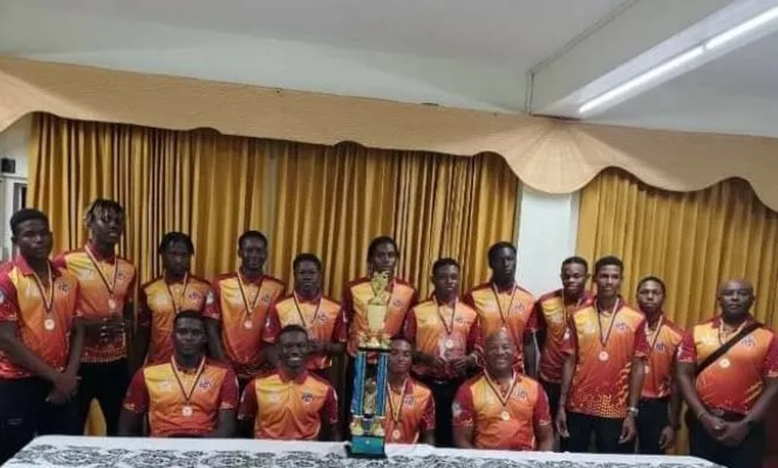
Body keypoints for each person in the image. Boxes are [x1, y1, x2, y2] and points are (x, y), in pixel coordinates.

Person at [0, 209, 84, 463]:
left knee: (62, 456)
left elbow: (78, 329)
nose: (38, 240)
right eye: (29, 235)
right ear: (15, 241)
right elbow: (6, 339)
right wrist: (57, 378)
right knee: (15, 456)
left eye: (43, 233)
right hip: (18, 383)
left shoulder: (68, 279)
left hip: (61, 381)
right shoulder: (6, 280)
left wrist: (69, 375)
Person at [54, 198, 137, 436]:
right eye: (106, 219)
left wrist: (126, 323)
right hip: (79, 362)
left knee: (121, 431)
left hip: (116, 362)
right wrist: (88, 326)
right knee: (71, 429)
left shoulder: (128, 267)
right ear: (89, 223)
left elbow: (128, 310)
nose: (114, 226)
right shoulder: (66, 261)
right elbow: (56, 311)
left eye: (118, 221)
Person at [677, 279, 778, 468]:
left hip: (746, 428)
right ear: (719, 299)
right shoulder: (697, 332)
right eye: (729, 293)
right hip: (703, 422)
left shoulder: (768, 337)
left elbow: (774, 385)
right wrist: (704, 417)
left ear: (752, 299)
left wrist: (746, 425)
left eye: (742, 293)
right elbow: (683, 375)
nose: (735, 298)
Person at [555, 256, 648, 453]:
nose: (609, 281)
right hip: (578, 406)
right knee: (571, 462)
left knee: (613, 463)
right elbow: (569, 362)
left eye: (615, 277)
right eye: (604, 276)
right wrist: (562, 406)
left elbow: (638, 367)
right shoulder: (578, 316)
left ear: (621, 280)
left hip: (615, 409)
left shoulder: (636, 319)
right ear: (595, 279)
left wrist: (632, 412)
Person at [119, 311, 238, 437]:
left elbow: (227, 428)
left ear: (205, 338)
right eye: (182, 332)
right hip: (161, 448)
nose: (188, 337)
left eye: (196, 333)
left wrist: (202, 450)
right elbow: (126, 427)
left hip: (204, 446)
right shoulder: (147, 374)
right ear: (172, 336)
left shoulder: (223, 374)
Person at [342, 236, 417, 432]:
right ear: (370, 259)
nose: (386, 260)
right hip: (360, 360)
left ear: (397, 259)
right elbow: (347, 320)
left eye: (391, 255)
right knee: (355, 413)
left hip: (391, 364)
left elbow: (408, 330)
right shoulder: (354, 288)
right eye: (380, 255)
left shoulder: (408, 291)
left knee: (385, 415)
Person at [403, 257, 477, 446]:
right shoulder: (417, 311)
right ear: (433, 279)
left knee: (450, 436)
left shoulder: (470, 314)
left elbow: (479, 349)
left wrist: (469, 360)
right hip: (425, 383)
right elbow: (404, 347)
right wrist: (423, 358)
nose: (449, 281)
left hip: (457, 384)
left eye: (454, 277)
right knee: (424, 434)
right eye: (443, 277)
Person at [204, 230, 285, 388]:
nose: (254, 255)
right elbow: (210, 327)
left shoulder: (277, 288)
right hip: (227, 365)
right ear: (240, 252)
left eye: (259, 250)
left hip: (263, 368)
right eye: (249, 250)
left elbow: (277, 333)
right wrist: (223, 365)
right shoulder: (221, 283)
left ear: (266, 254)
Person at [452, 329, 553, 451]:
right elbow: (462, 441)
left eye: (505, 347)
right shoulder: (467, 391)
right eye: (494, 348)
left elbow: (546, 438)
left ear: (515, 351)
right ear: (484, 353)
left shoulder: (534, 388)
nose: (500, 352)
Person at [238, 325, 340, 441]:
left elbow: (332, 430)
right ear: (279, 350)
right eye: (287, 346)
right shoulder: (256, 385)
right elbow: (244, 426)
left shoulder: (325, 389)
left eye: (300, 346)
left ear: (307, 348)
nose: (294, 351)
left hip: (306, 455)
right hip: (266, 454)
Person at [263, 253, 346, 381]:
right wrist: (281, 368)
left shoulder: (335, 308)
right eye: (302, 273)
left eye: (312, 273)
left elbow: (342, 347)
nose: (307, 277)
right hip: (287, 372)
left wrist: (324, 347)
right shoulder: (279, 306)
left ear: (319, 275)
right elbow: (269, 345)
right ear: (294, 275)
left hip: (321, 373)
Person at [133, 232, 211, 367]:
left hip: (195, 367)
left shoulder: (204, 289)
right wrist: (134, 370)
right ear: (162, 255)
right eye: (173, 254)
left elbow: (210, 332)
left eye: (184, 255)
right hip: (158, 366)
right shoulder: (149, 289)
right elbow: (143, 334)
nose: (179, 260)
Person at [464, 242, 537, 376]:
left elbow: (528, 342)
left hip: (515, 370)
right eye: (500, 260)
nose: (506, 264)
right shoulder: (474, 296)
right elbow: (466, 336)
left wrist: (532, 378)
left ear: (515, 261)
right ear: (491, 264)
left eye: (510, 259)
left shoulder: (528, 300)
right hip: (480, 369)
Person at [534, 256, 593, 420]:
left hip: (580, 380)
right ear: (561, 277)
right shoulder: (545, 302)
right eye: (566, 276)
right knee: (544, 426)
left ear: (587, 277)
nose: (571, 280)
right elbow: (540, 334)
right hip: (549, 377)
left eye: (576, 276)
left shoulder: (594, 303)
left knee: (572, 431)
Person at [634, 276, 683, 454]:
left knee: (652, 459)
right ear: (636, 296)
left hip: (655, 407)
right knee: (618, 457)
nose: (649, 296)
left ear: (663, 297)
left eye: (655, 293)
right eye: (644, 292)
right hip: (623, 402)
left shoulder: (676, 335)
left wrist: (673, 424)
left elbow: (678, 383)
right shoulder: (626, 327)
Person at [383, 337, 435, 445]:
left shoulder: (424, 394)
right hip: (376, 455)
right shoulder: (369, 389)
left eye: (406, 354)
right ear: (384, 357)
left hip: (409, 458)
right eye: (394, 353)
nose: (400, 358)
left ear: (412, 360)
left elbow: (429, 436)